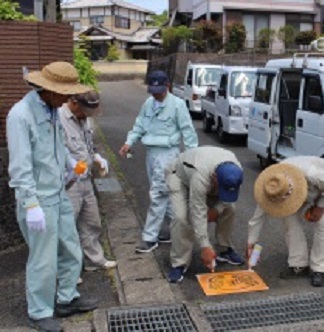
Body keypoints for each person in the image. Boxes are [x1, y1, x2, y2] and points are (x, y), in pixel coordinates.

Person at [7, 62, 98, 332]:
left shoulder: (52, 110)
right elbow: (20, 167)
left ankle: (66, 297)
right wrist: (31, 204)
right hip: (38, 199)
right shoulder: (21, 115)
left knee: (71, 248)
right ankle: (39, 312)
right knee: (43, 258)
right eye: (64, 93)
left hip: (58, 192)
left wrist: (71, 163)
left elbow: (57, 146)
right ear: (46, 89)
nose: (69, 99)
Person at [119, 70, 198, 253]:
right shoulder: (148, 103)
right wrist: (129, 142)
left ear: (167, 86)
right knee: (167, 195)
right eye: (153, 90)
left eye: (159, 90)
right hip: (151, 154)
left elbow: (188, 132)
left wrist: (192, 158)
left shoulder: (177, 105)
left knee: (158, 195)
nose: (156, 94)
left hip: (168, 155)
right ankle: (178, 229)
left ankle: (150, 237)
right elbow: (139, 124)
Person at [247, 157, 324, 287]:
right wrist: (251, 243)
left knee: (321, 223)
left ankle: (319, 269)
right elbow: (257, 217)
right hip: (301, 186)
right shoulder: (271, 186)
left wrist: (320, 206)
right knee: (289, 219)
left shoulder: (313, 174)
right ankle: (299, 265)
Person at [166, 146, 245, 283]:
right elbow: (198, 210)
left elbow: (229, 198)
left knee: (230, 209)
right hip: (179, 176)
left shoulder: (236, 171)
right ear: (214, 177)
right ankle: (179, 263)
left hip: (209, 180)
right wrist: (205, 246)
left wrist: (217, 210)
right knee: (181, 218)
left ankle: (224, 249)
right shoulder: (200, 177)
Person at [59, 91, 117, 272]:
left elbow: (89, 143)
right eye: (85, 110)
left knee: (91, 221)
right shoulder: (59, 119)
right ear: (74, 103)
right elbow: (59, 150)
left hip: (86, 179)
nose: (87, 115)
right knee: (67, 227)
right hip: (69, 182)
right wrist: (72, 165)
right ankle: (69, 270)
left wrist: (96, 156)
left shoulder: (84, 120)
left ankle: (95, 259)